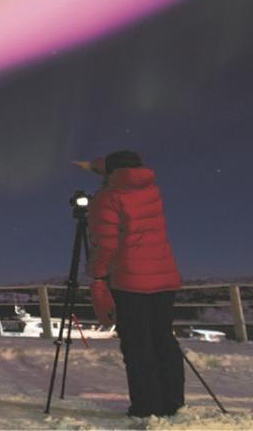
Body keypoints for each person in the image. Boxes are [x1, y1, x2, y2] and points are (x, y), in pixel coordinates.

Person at [76, 149, 184, 419]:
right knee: (163, 340)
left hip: (128, 281)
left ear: (110, 173)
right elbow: (111, 166)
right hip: (163, 278)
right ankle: (171, 402)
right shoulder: (150, 191)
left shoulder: (107, 198)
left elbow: (107, 245)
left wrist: (97, 273)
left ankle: (146, 407)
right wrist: (96, 166)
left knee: (137, 346)